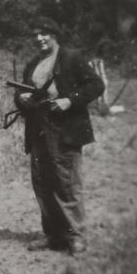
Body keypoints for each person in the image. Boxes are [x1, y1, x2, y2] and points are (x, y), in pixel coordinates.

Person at [15, 16, 104, 255]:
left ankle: (76, 235)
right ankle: (53, 235)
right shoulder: (32, 64)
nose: (39, 38)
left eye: (43, 33)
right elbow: (22, 93)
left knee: (67, 183)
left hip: (65, 129)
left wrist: (70, 100)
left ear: (54, 34)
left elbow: (96, 85)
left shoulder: (72, 58)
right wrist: (21, 99)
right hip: (38, 128)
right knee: (42, 183)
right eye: (35, 35)